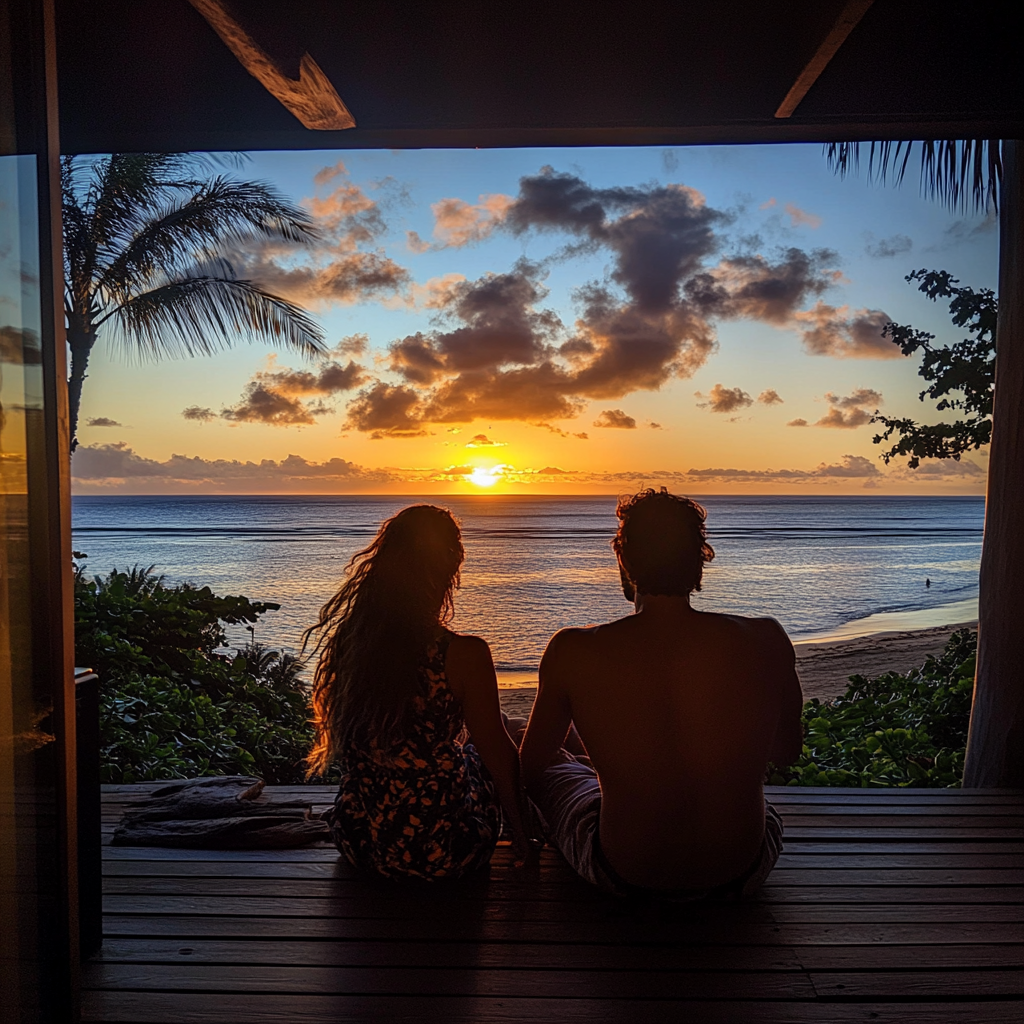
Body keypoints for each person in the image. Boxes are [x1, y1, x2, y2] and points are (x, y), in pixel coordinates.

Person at [520, 488, 803, 899]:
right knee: (762, 810)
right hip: (739, 870)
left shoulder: (573, 649)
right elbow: (786, 753)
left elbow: (530, 769)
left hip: (625, 869)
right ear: (699, 560)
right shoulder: (766, 638)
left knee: (549, 762)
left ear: (625, 560)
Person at [304, 504, 532, 880]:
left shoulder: (354, 642)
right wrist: (521, 834)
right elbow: (498, 755)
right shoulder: (464, 653)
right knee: (498, 738)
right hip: (444, 850)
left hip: (363, 843)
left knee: (485, 738)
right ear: (451, 567)